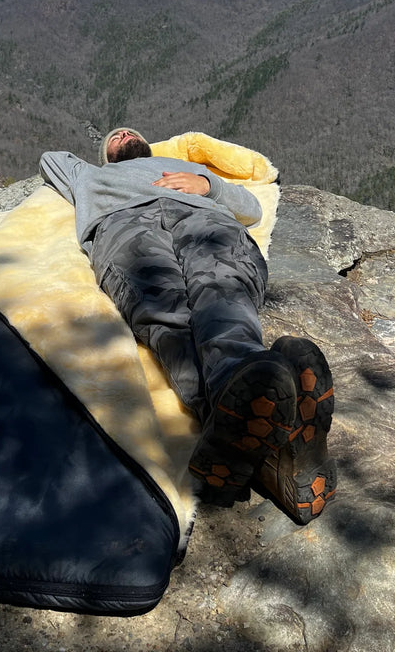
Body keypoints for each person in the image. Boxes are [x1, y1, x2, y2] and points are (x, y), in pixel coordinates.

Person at [39, 127, 336, 522]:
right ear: (104, 157)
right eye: (114, 137)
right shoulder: (87, 175)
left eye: (130, 131)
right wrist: (97, 169)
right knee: (167, 315)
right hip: (125, 227)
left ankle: (247, 413)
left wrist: (207, 184)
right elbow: (50, 159)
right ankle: (269, 430)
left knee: (221, 292)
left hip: (203, 219)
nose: (124, 132)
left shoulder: (188, 169)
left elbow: (251, 208)